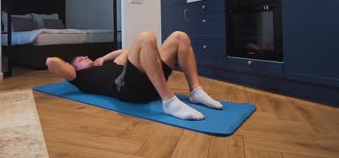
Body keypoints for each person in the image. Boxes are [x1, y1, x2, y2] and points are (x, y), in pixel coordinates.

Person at [46, 31, 223, 120]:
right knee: (145, 37)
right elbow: (52, 62)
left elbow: (127, 51)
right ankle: (169, 101)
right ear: (74, 67)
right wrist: (68, 66)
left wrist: (103, 58)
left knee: (180, 37)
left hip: (146, 82)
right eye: (80, 59)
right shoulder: (80, 78)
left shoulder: (111, 66)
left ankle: (195, 91)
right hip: (126, 89)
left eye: (85, 56)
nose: (85, 57)